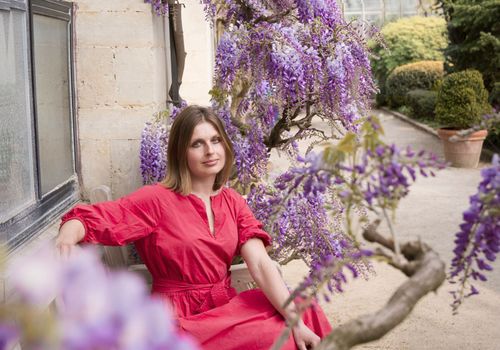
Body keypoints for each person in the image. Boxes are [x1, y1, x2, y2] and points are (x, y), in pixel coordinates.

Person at [56, 105, 332, 350]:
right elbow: (101, 218)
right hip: (178, 320)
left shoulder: (233, 201)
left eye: (215, 140)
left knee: (304, 310)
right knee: (273, 333)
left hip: (224, 308)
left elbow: (259, 263)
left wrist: (295, 320)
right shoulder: (156, 199)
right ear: (181, 152)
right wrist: (70, 232)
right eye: (197, 144)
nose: (210, 151)